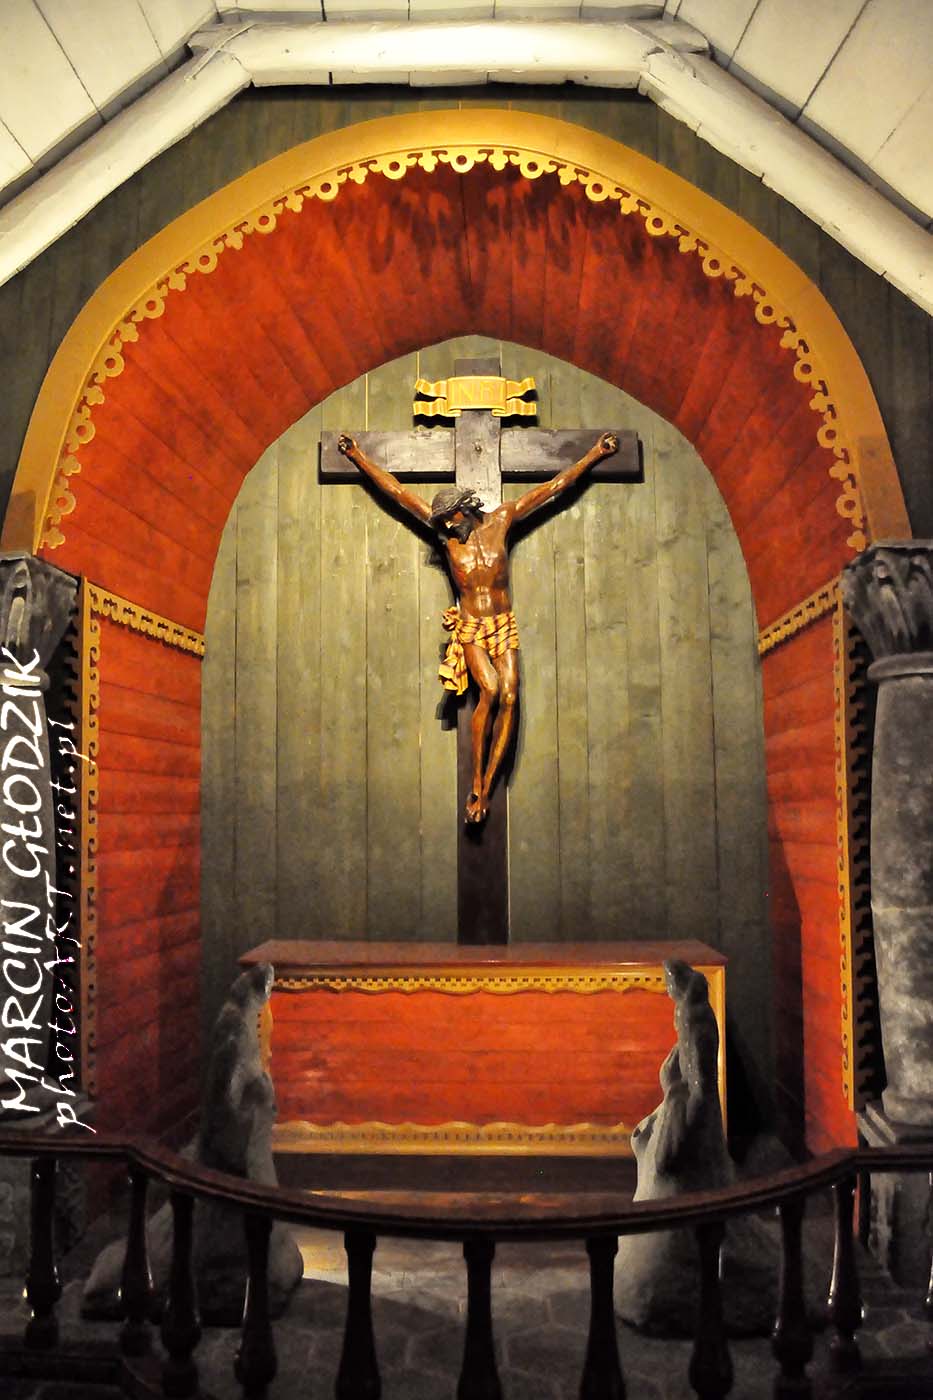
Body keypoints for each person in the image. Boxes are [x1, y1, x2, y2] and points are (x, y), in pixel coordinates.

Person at [337, 430, 619, 823]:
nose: (447, 526)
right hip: (471, 627)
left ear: (465, 509)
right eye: (443, 522)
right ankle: (476, 783)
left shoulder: (502, 520)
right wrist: (357, 457)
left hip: (503, 623)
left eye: (450, 519)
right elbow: (398, 493)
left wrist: (594, 455)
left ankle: (487, 783)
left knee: (511, 696)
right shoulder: (447, 539)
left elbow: (554, 487)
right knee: (490, 689)